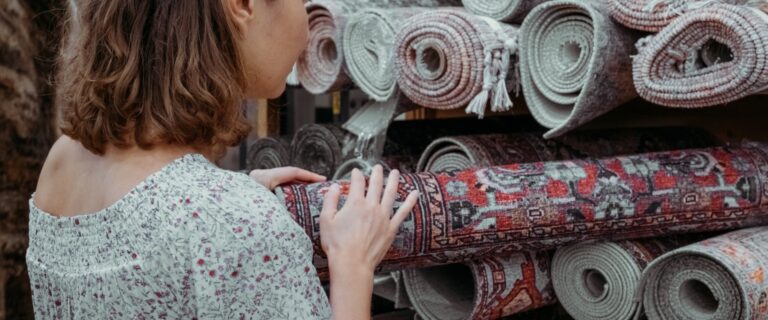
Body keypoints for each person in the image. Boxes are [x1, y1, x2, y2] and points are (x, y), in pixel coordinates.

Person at [27, 0, 419, 319]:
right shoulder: (235, 221)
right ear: (242, 5)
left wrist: (224, 195)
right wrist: (354, 267)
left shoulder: (63, 161)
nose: (308, 24)